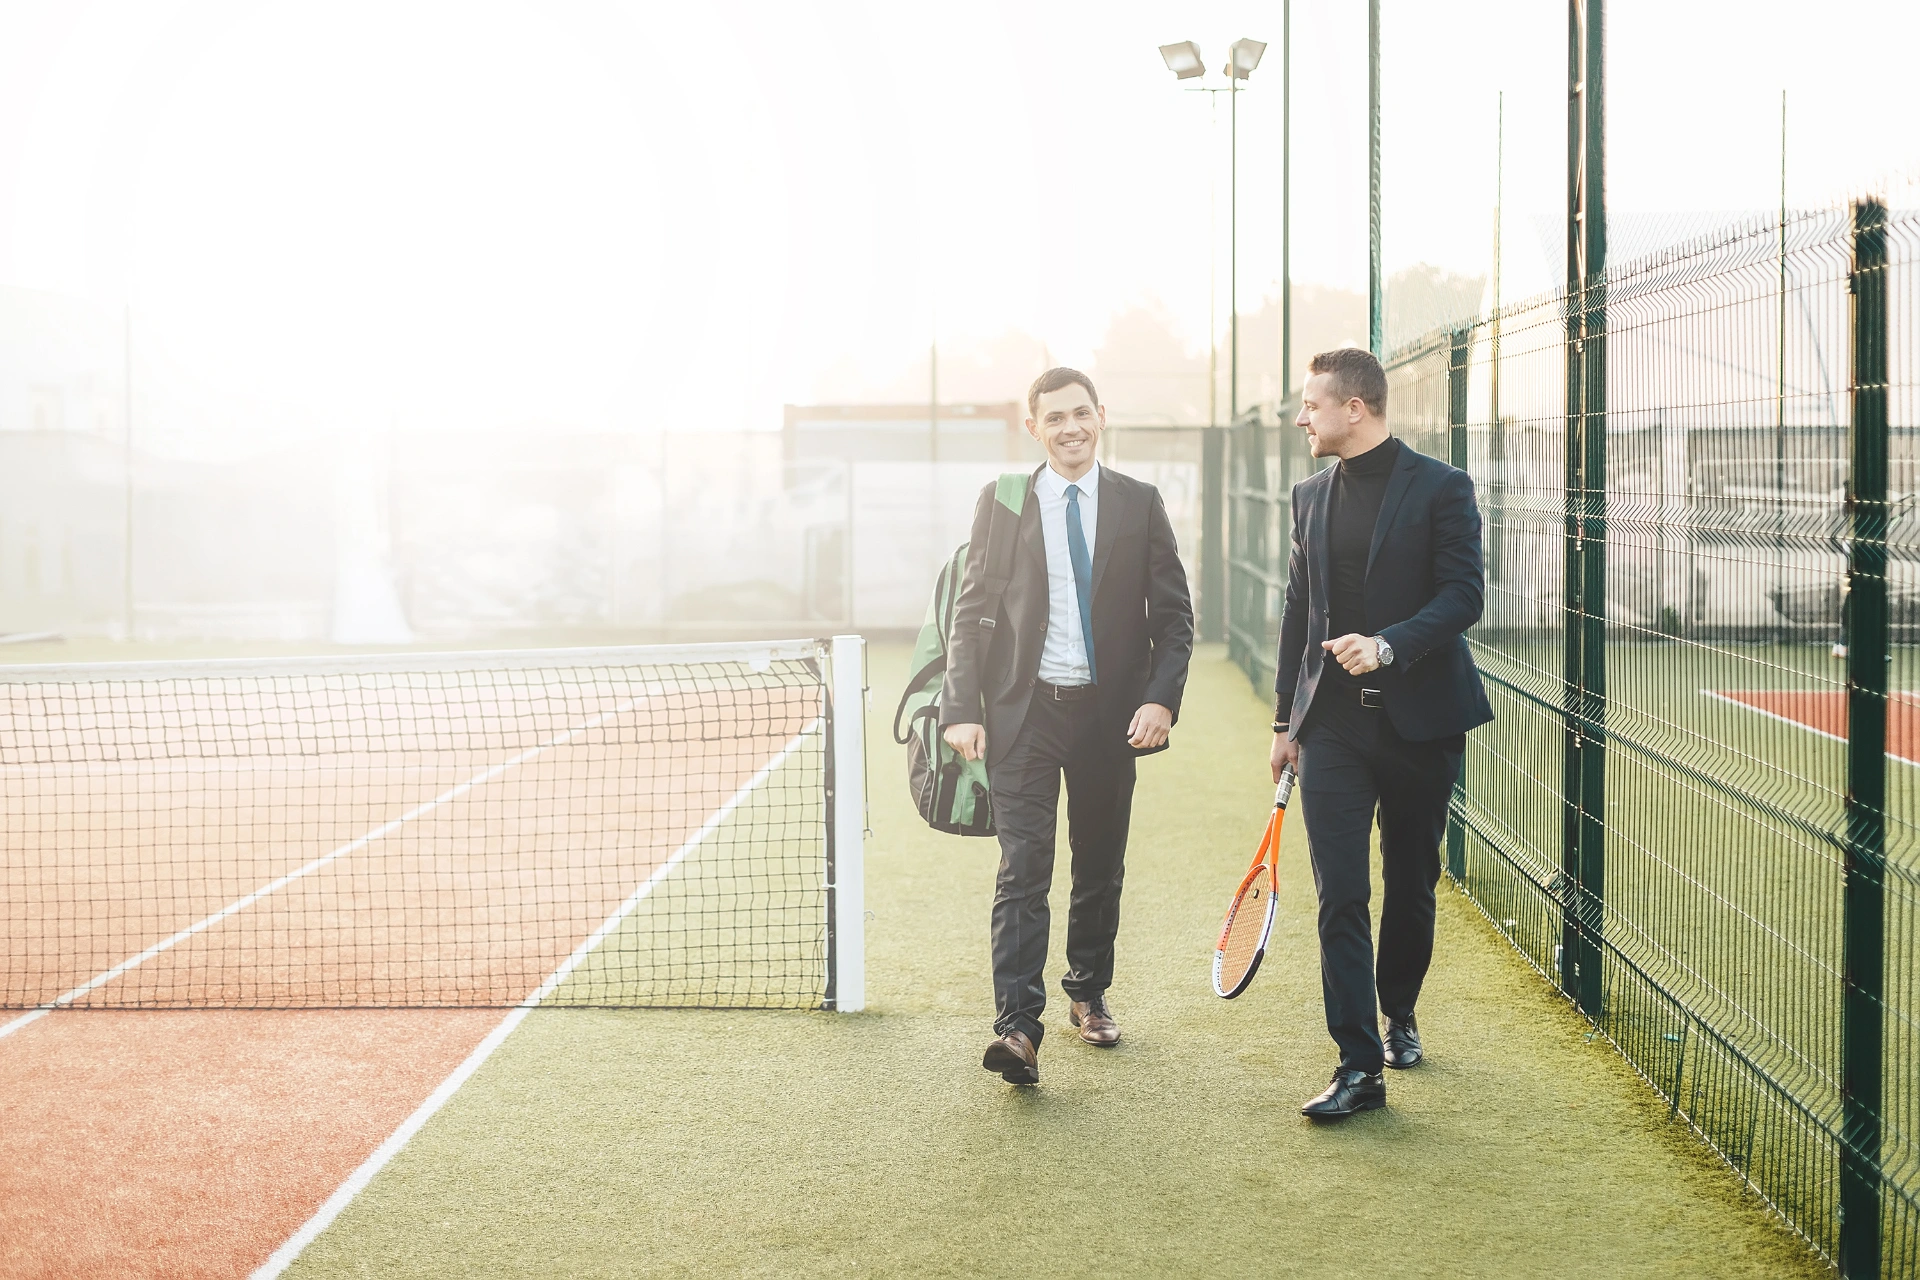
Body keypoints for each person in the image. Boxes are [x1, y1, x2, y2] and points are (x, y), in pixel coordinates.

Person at [941, 366, 1193, 1085]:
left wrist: (1161, 700)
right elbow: (971, 610)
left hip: (1111, 718)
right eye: (1054, 418)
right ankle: (1018, 1029)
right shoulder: (1003, 502)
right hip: (1023, 714)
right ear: (1034, 428)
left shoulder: (1139, 502)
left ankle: (1087, 991)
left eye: (1080, 413)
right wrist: (962, 708)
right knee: (1023, 868)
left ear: (1100, 416)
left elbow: (1174, 617)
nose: (1070, 428)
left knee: (1099, 862)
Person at [1270, 347, 1493, 1119]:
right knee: (1341, 893)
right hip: (1330, 727)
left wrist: (1387, 645)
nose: (1302, 419)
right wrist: (1284, 721)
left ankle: (1399, 1010)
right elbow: (1298, 613)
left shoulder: (1442, 487)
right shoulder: (1307, 496)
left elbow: (1464, 595)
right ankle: (1358, 1066)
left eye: (1312, 405)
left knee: (1410, 883)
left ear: (1354, 408)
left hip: (1420, 726)